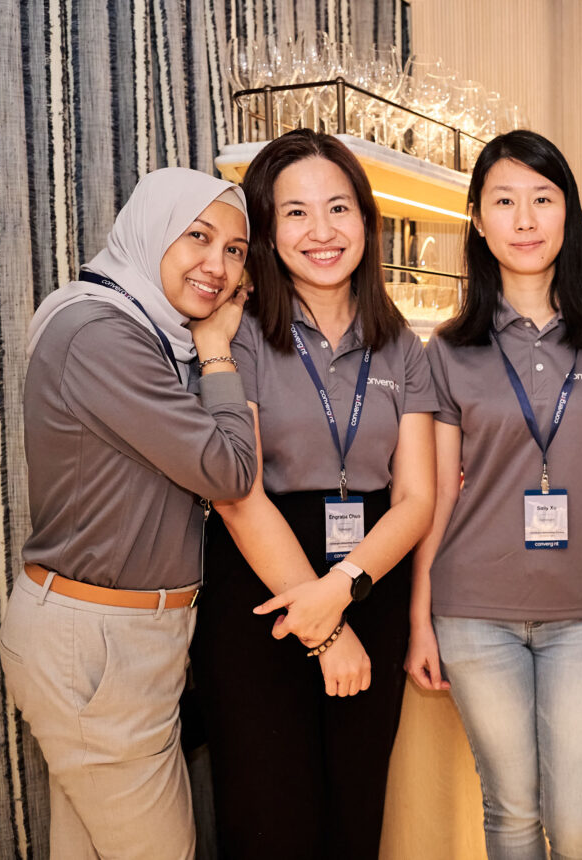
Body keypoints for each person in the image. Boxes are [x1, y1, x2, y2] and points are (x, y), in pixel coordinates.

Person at [190, 129, 437, 859]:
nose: (321, 231)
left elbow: (416, 498)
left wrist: (346, 588)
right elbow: (238, 496)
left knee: (355, 815)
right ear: (268, 230)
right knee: (270, 820)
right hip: (262, 589)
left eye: (338, 208)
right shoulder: (238, 334)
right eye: (295, 212)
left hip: (371, 580)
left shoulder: (402, 346)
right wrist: (326, 628)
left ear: (367, 219)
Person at [0, 168, 257, 859]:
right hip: (98, 644)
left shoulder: (141, 331)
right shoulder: (101, 335)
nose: (218, 264)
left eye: (235, 249)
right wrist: (217, 350)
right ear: (150, 231)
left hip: (115, 639)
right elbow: (229, 469)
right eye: (198, 236)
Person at [405, 129, 582, 860]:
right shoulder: (448, 349)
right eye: (504, 202)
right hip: (474, 609)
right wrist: (420, 618)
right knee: (509, 811)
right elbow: (436, 497)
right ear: (478, 220)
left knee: (578, 820)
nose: (526, 220)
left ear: (569, 213)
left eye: (543, 199)